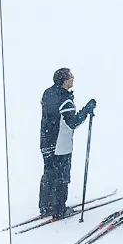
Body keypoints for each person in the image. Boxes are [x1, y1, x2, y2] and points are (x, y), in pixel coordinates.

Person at [39, 69, 96, 218]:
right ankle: (59, 209)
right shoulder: (65, 99)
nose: (73, 78)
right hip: (60, 144)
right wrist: (86, 110)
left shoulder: (48, 93)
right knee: (62, 177)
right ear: (65, 80)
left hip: (46, 141)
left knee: (49, 174)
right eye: (71, 76)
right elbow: (73, 122)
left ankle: (46, 206)